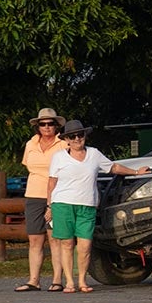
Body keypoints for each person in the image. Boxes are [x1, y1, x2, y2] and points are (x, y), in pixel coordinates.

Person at [44, 120, 131, 293]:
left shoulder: (94, 154)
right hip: (63, 203)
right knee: (67, 243)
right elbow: (52, 182)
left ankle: (82, 280)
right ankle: (69, 281)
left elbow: (113, 167)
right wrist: (49, 206)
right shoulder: (59, 157)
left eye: (80, 135)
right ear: (66, 139)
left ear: (85, 136)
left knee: (85, 245)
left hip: (87, 204)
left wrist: (135, 172)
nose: (77, 139)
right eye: (72, 136)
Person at [17, 109, 62, 292]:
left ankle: (57, 279)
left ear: (56, 125)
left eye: (50, 123)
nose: (46, 127)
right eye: (42, 124)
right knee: (35, 238)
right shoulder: (31, 144)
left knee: (55, 238)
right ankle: (33, 280)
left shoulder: (63, 144)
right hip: (34, 194)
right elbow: (28, 165)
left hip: (56, 193)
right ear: (38, 126)